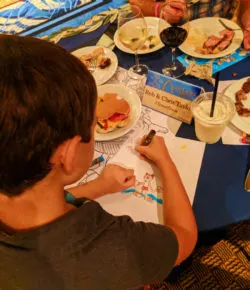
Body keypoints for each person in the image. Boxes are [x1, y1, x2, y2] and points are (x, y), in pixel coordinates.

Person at [0, 35, 197, 290]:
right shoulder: (113, 247)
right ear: (68, 155)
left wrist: (97, 187)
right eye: (93, 125)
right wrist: (165, 161)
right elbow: (185, 236)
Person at [129, 0, 250, 50]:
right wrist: (159, 9)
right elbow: (135, 3)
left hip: (224, 41)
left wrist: (248, 24)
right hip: (170, 46)